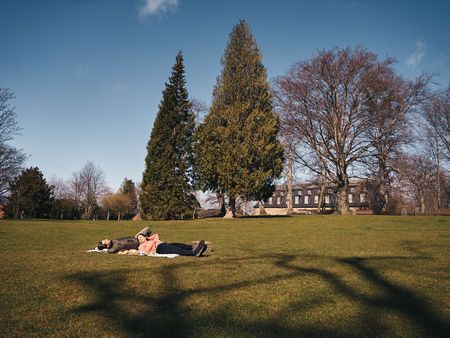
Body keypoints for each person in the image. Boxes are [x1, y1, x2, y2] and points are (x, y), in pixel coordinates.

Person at [137, 233, 207, 257]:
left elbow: (156, 235)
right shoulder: (141, 246)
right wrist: (152, 242)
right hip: (159, 248)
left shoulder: (150, 239)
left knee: (178, 244)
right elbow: (145, 252)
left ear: (144, 237)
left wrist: (148, 238)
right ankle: (193, 253)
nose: (140, 239)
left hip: (163, 244)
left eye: (141, 237)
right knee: (176, 250)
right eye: (138, 238)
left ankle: (193, 247)